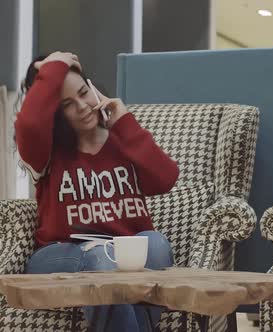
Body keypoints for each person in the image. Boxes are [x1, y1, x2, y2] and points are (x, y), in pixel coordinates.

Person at [14, 51, 179, 331]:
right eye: (67, 104)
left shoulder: (123, 140)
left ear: (93, 87)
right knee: (102, 259)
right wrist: (56, 63)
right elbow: (29, 124)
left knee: (157, 244)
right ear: (54, 113)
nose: (81, 106)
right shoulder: (46, 155)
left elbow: (165, 179)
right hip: (62, 255)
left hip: (124, 255)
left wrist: (125, 123)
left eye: (83, 93)